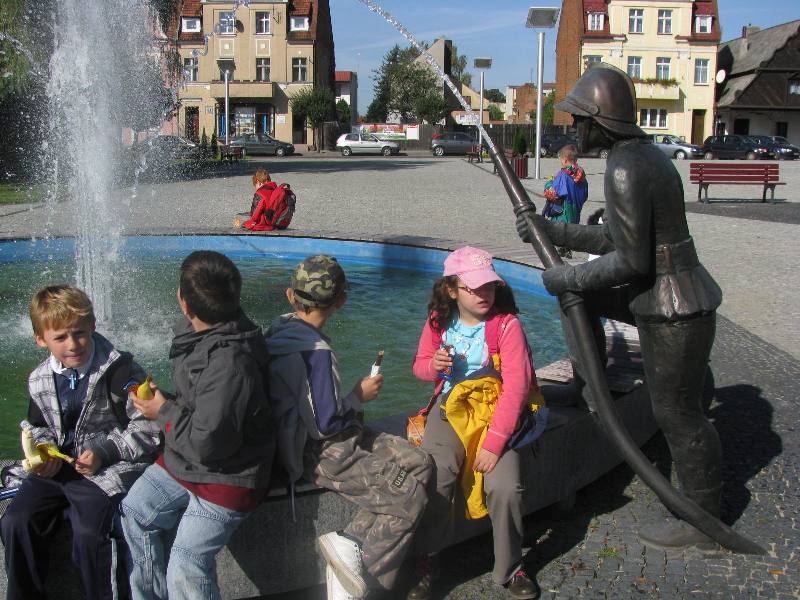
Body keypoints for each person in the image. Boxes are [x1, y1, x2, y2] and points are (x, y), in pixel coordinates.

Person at [515, 62, 723, 550]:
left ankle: (705, 519)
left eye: (579, 120)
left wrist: (567, 275)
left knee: (678, 412)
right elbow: (616, 236)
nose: (574, 129)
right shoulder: (643, 157)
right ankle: (589, 385)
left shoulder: (625, 167)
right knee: (581, 298)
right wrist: (555, 230)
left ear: (599, 120)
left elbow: (630, 259)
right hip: (662, 291)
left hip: (672, 304)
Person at [264, 255, 433, 600]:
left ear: (289, 295)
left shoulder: (280, 329)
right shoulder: (316, 353)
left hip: (310, 438)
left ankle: (350, 545)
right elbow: (326, 424)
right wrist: (358, 396)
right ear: (341, 301)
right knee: (409, 495)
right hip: (320, 452)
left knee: (420, 463)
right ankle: (364, 583)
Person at [120, 250, 275, 600]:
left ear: (184, 302)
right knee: (134, 511)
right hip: (187, 459)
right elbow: (204, 413)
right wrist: (166, 403)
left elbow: (209, 443)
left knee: (186, 564)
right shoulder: (201, 334)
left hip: (228, 476)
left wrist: (163, 411)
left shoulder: (231, 363)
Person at [1, 284, 160, 600]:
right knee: (15, 521)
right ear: (40, 339)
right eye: (60, 338)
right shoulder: (39, 378)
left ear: (93, 326)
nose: (72, 345)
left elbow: (149, 426)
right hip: (59, 469)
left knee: (90, 533)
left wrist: (104, 452)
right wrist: (44, 452)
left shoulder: (121, 371)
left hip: (106, 471)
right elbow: (38, 427)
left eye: (79, 334)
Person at [408, 246, 543, 600]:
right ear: (451, 289)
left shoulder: (507, 326)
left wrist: (494, 443)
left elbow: (516, 389)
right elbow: (419, 366)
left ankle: (511, 567)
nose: (485, 294)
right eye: (475, 287)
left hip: (498, 413)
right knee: (437, 475)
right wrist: (434, 366)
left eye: (490, 286)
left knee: (505, 488)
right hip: (450, 409)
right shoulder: (439, 320)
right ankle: (427, 559)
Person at [541, 144, 588, 225]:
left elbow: (551, 194)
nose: (561, 163)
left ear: (565, 160)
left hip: (562, 218)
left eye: (561, 160)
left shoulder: (563, 175)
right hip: (575, 217)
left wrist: (549, 183)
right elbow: (584, 197)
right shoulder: (583, 179)